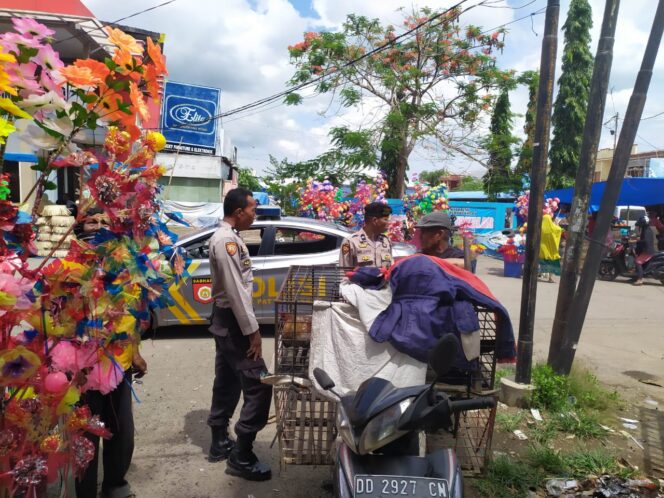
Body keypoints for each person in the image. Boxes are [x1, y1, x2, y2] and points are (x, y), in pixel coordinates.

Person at [75, 207, 147, 498]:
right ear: (80, 226)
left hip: (118, 364)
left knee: (122, 432)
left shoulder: (123, 265)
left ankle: (115, 484)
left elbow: (132, 314)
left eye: (105, 221)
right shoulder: (68, 265)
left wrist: (136, 351)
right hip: (80, 369)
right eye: (93, 221)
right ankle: (85, 491)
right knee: (85, 435)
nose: (100, 226)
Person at [207, 188, 272, 481]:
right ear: (238, 211)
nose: (254, 214)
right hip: (234, 322)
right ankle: (241, 455)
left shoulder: (229, 237)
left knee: (228, 380)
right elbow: (235, 292)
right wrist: (253, 332)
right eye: (253, 209)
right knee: (259, 385)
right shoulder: (226, 242)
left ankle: (219, 441)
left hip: (227, 320)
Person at [339, 201, 393, 269]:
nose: (389, 223)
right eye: (386, 220)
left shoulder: (386, 241)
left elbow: (390, 270)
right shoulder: (351, 242)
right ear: (375, 220)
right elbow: (344, 274)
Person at [633, 215, 658, 286]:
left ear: (643, 223)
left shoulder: (646, 230)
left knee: (637, 262)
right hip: (647, 249)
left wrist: (637, 241)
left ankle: (640, 279)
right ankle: (637, 276)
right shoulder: (646, 229)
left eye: (640, 223)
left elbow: (645, 241)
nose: (639, 225)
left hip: (647, 251)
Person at [539, 214, 562, 283]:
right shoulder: (554, 228)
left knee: (542, 262)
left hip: (543, 249)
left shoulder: (541, 228)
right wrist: (556, 223)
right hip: (552, 249)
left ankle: (539, 274)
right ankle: (550, 278)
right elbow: (560, 230)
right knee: (552, 262)